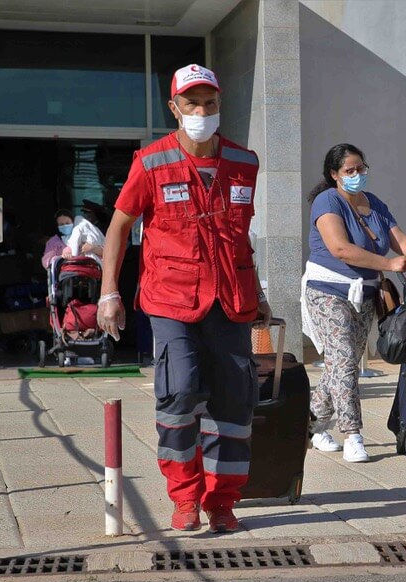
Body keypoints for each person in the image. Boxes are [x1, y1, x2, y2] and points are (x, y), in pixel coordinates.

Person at [97, 64, 269, 534]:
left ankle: (222, 501)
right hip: (172, 299)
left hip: (231, 299)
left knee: (234, 402)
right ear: (174, 108)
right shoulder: (151, 162)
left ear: (220, 105)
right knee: (182, 390)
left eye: (210, 103)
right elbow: (119, 228)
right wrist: (109, 292)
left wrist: (258, 292)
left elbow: (239, 237)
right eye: (191, 104)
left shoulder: (244, 163)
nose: (201, 112)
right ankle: (185, 497)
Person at [303, 143, 406, 462]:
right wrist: (389, 264)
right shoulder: (327, 201)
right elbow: (340, 249)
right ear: (334, 174)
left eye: (361, 168)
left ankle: (310, 427)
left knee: (343, 364)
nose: (356, 175)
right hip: (327, 291)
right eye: (349, 170)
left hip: (364, 295)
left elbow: (403, 242)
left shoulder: (374, 204)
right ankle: (352, 434)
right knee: (343, 362)